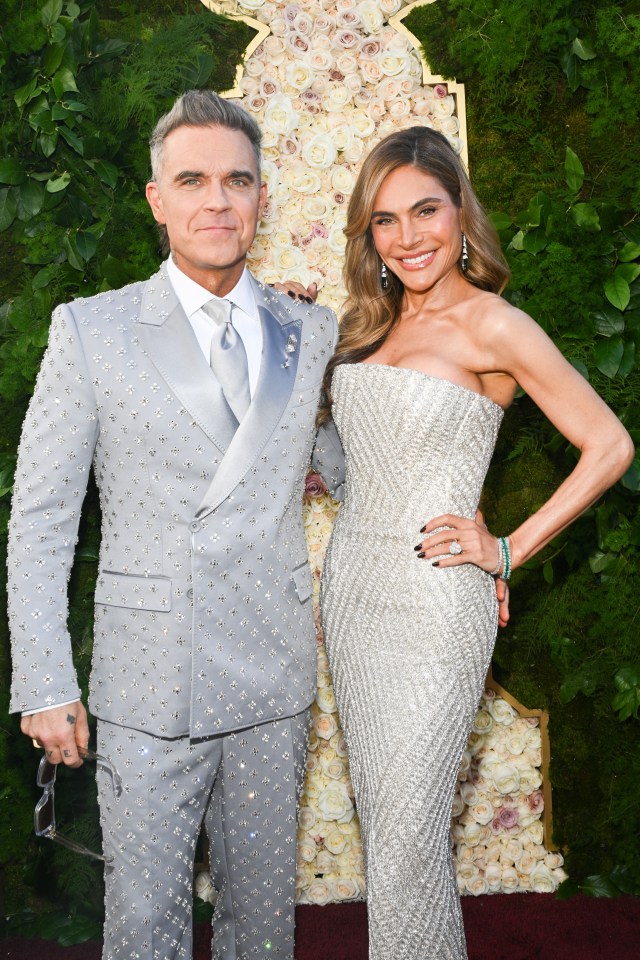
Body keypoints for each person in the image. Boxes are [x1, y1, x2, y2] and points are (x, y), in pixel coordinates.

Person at [8, 90, 346, 960]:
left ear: (262, 198)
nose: (216, 201)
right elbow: (43, 517)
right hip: (148, 680)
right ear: (156, 199)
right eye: (191, 179)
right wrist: (44, 679)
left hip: (272, 673)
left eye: (237, 181)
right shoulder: (91, 330)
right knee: (145, 923)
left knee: (263, 926)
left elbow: (350, 470)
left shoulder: (308, 333)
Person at [317, 126, 634, 960]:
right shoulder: (363, 327)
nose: (410, 235)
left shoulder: (495, 325)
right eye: (386, 220)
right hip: (353, 595)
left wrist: (506, 549)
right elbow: (357, 462)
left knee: (412, 831)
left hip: (434, 601)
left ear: (461, 213)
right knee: (387, 831)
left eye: (427, 209)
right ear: (370, 235)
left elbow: (610, 445)